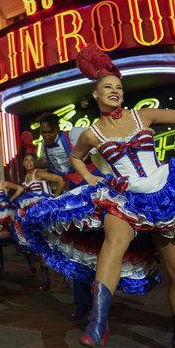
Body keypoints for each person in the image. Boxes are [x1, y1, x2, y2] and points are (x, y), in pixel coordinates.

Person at [22, 45, 175, 348]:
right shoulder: (91, 133)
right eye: (108, 88)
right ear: (96, 94)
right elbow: (76, 156)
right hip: (125, 196)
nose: (115, 92)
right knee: (114, 241)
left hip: (165, 191)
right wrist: (89, 176)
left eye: (118, 87)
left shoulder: (140, 115)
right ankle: (98, 322)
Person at [36, 112, 104, 320]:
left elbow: (98, 145)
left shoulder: (73, 135)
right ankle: (81, 304)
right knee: (77, 249)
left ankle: (100, 304)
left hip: (91, 187)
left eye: (49, 132)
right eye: (43, 133)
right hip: (71, 196)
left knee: (99, 244)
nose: (46, 136)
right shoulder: (45, 149)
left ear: (57, 129)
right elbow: (60, 175)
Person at [12, 145, 64, 291]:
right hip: (32, 214)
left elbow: (60, 180)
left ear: (34, 163)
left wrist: (55, 198)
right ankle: (47, 279)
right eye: (26, 160)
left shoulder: (38, 173)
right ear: (23, 163)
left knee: (52, 242)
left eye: (31, 160)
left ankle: (60, 277)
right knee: (41, 244)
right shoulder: (26, 178)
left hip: (43, 211)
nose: (29, 162)